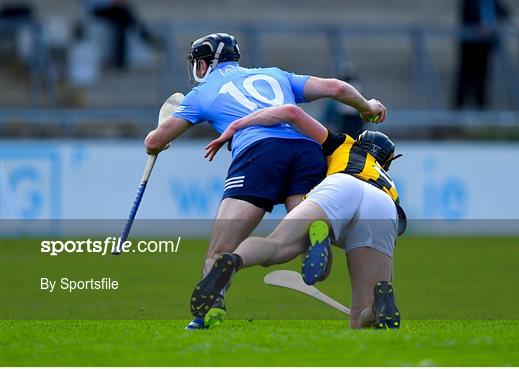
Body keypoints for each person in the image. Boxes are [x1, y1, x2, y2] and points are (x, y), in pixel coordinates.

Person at [144, 33, 388, 329]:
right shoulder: (275, 74)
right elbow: (335, 87)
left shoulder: (201, 93)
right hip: (307, 150)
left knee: (220, 249)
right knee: (298, 232)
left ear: (205, 64)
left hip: (259, 154)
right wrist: (366, 106)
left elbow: (156, 139)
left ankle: (208, 310)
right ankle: (315, 234)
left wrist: (155, 143)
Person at [190, 104, 405, 329]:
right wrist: (385, 280)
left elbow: (293, 113)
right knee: (360, 314)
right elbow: (391, 241)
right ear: (386, 162)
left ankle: (234, 261)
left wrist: (237, 124)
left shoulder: (344, 144)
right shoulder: (391, 185)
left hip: (341, 186)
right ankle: (378, 307)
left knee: (277, 245)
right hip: (384, 205)